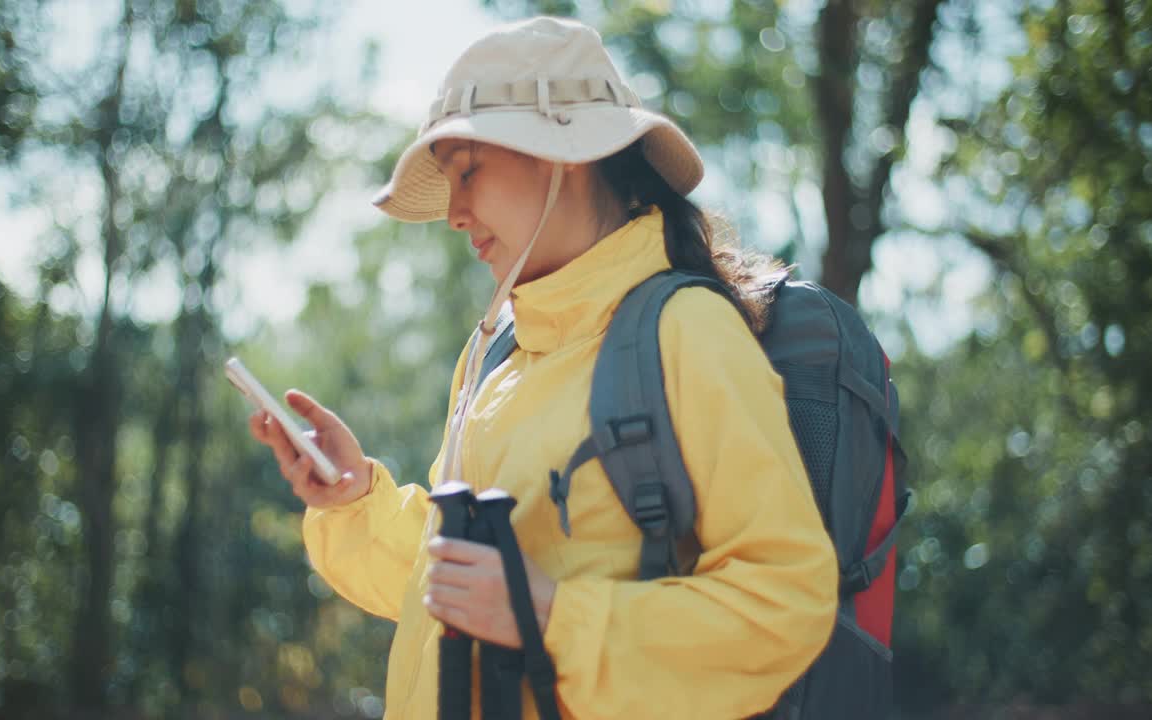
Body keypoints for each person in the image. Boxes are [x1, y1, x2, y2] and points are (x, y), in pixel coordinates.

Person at [248, 16, 838, 719]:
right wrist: (353, 500)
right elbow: (447, 581)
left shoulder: (688, 331)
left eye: (468, 171)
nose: (455, 214)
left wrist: (553, 616)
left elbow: (784, 603)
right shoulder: (495, 354)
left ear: (565, 155)